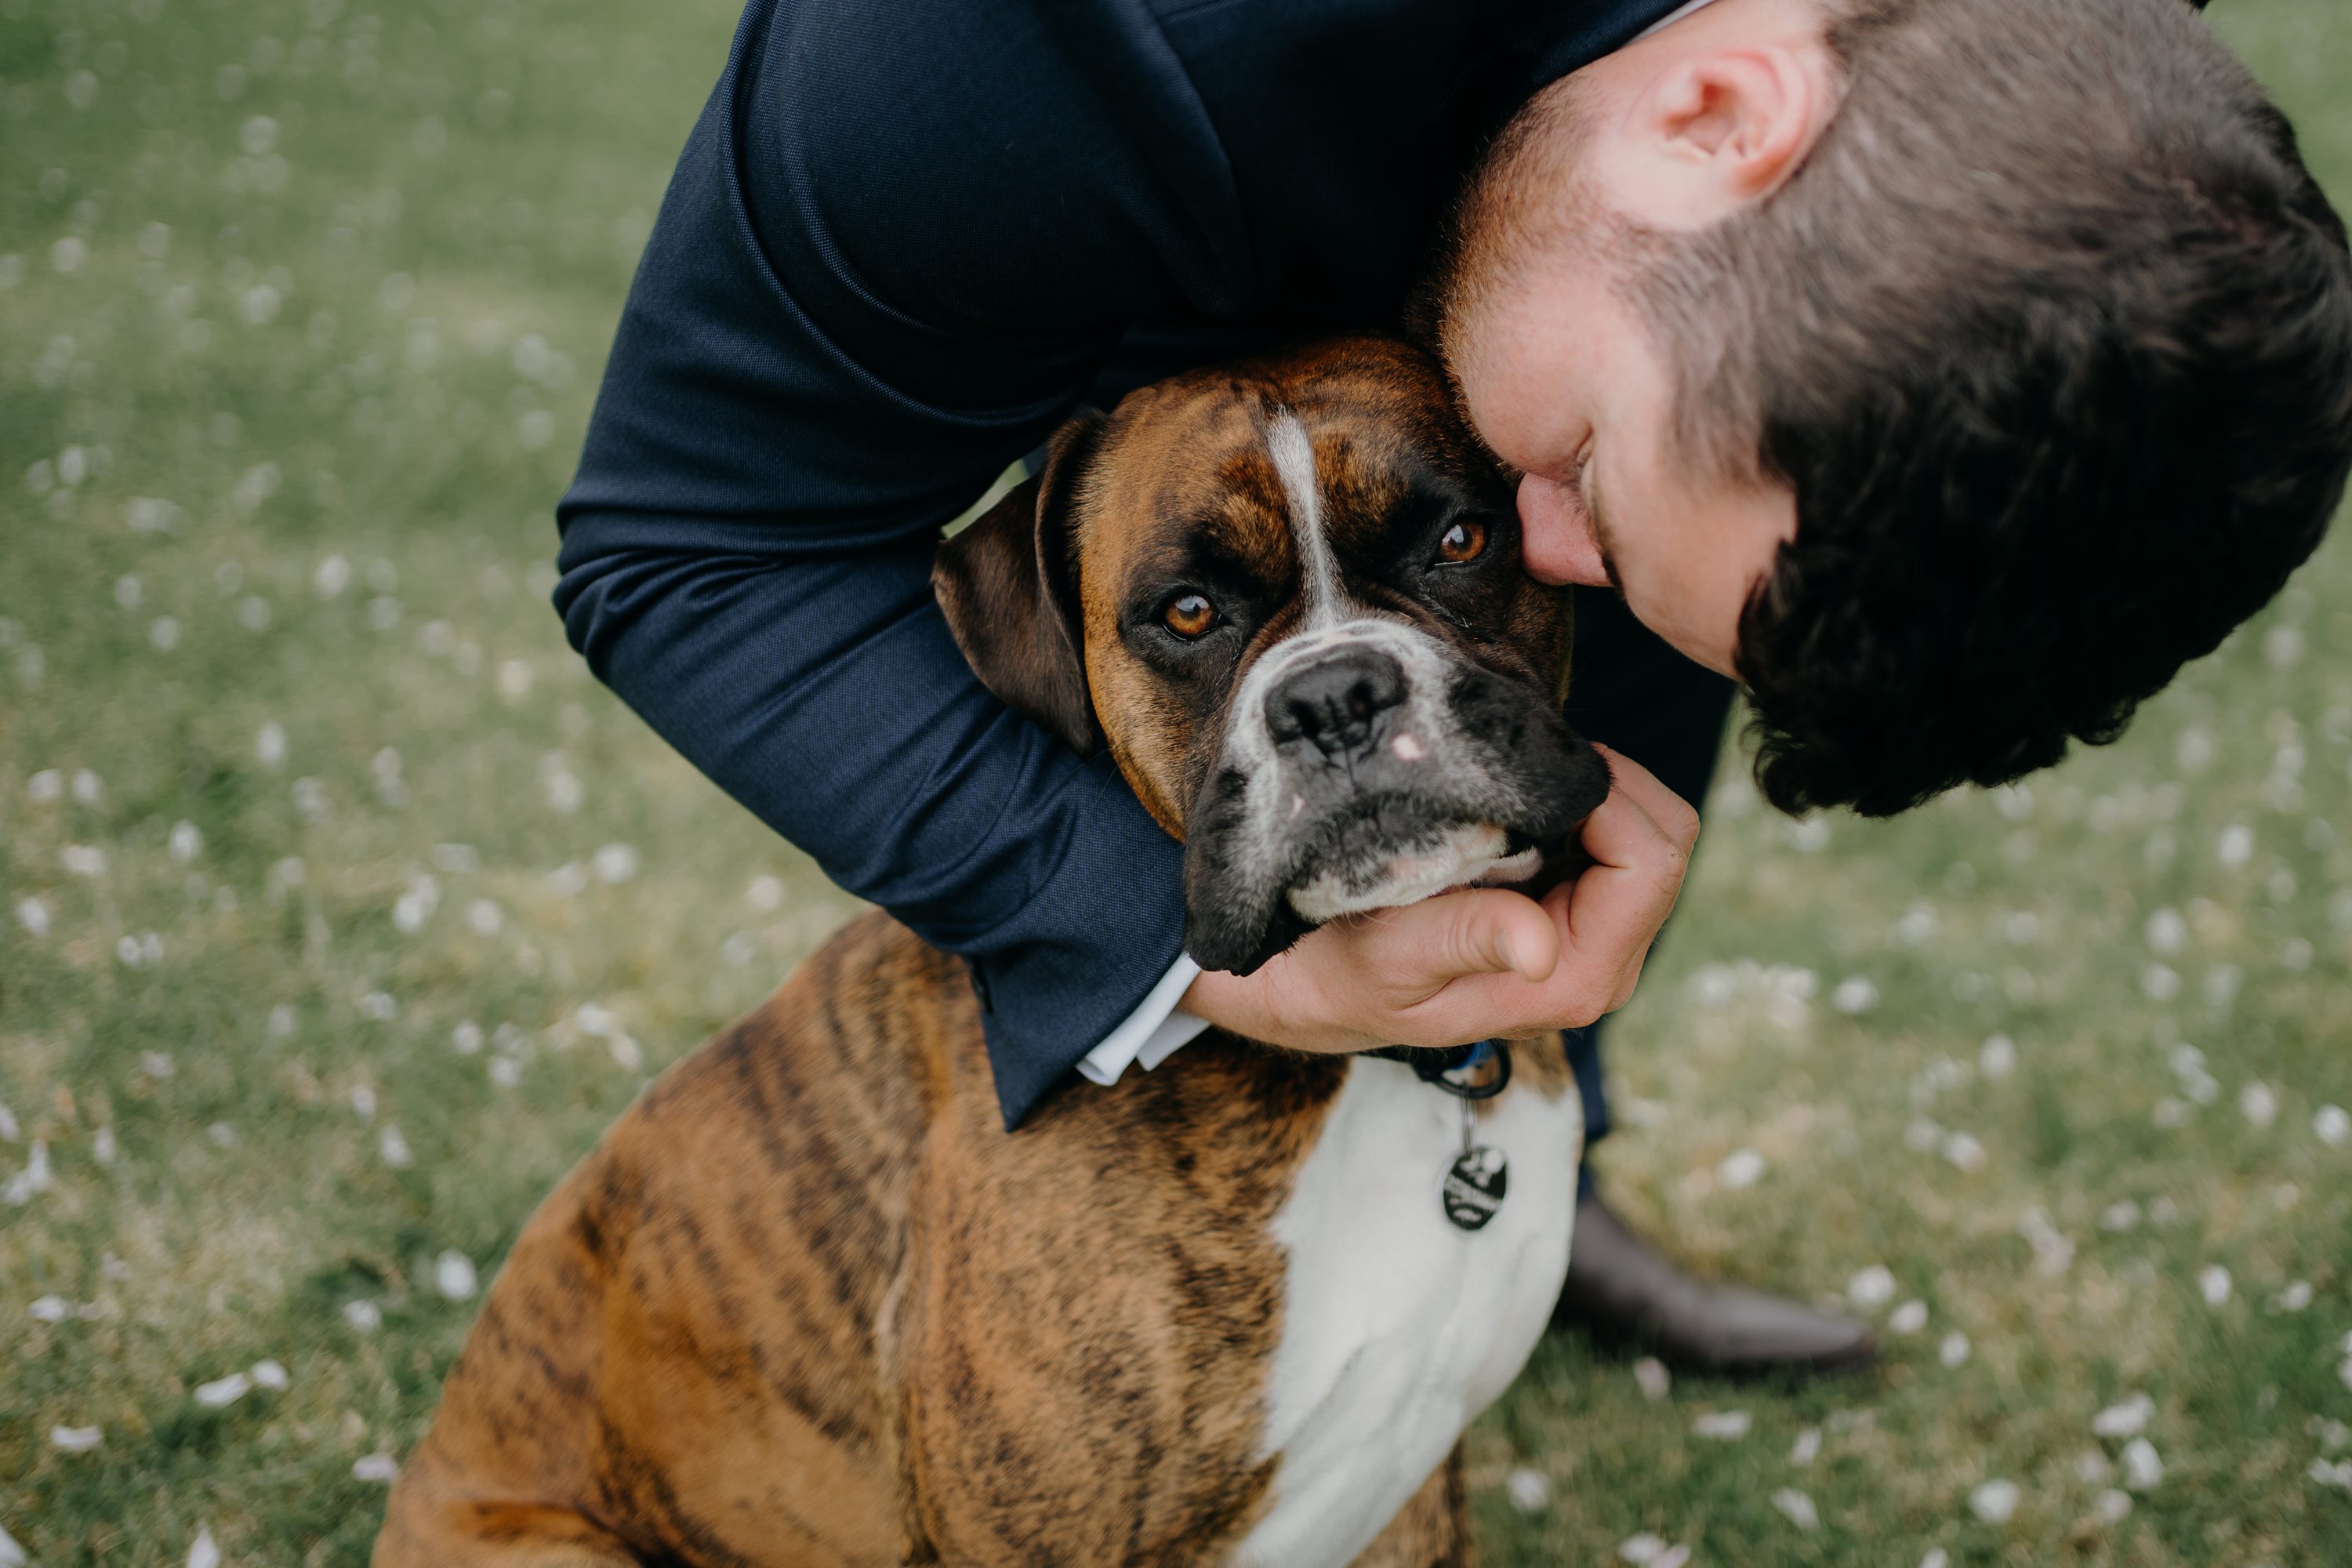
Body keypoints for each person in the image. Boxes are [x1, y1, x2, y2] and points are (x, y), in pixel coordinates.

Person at [554, 0, 2352, 1374]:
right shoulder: (1001, 72)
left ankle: (1531, 1169)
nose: (1542, 542)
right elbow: (690, 549)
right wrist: (1168, 940)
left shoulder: (2077, 95)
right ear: (1719, 111)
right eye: (1570, 469)